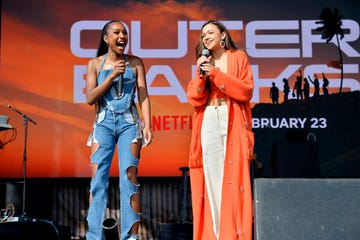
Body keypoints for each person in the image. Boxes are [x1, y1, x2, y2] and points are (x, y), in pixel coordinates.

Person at [85, 20, 152, 240]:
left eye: (124, 32)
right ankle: (95, 236)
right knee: (98, 179)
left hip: (129, 123)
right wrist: (112, 75)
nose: (122, 35)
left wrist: (147, 124)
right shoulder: (95, 64)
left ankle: (130, 237)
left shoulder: (135, 63)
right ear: (106, 39)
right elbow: (90, 98)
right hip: (103, 122)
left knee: (129, 177)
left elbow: (143, 95)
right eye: (116, 32)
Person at [187, 20, 254, 240]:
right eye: (202, 34)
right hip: (208, 118)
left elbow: (245, 92)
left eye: (210, 32)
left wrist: (215, 74)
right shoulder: (203, 62)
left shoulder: (238, 57)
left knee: (235, 180)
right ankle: (215, 235)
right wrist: (201, 74)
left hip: (231, 118)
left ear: (223, 35)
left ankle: (233, 234)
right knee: (213, 180)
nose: (205, 37)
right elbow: (194, 98)